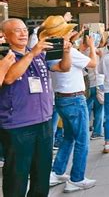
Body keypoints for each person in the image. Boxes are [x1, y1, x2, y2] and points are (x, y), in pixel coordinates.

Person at [0, 18, 72, 197]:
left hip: (44, 122)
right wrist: (31, 53)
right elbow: (8, 78)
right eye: (17, 30)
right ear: (5, 36)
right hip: (18, 125)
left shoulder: (38, 55)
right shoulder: (4, 56)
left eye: (25, 29)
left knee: (41, 175)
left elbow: (64, 67)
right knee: (17, 176)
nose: (23, 33)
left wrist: (67, 52)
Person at [44, 16, 98, 193]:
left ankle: (57, 172)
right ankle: (77, 178)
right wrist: (91, 46)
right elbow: (92, 64)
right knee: (82, 140)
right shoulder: (70, 53)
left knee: (69, 137)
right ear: (63, 33)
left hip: (60, 99)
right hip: (75, 99)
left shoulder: (49, 50)